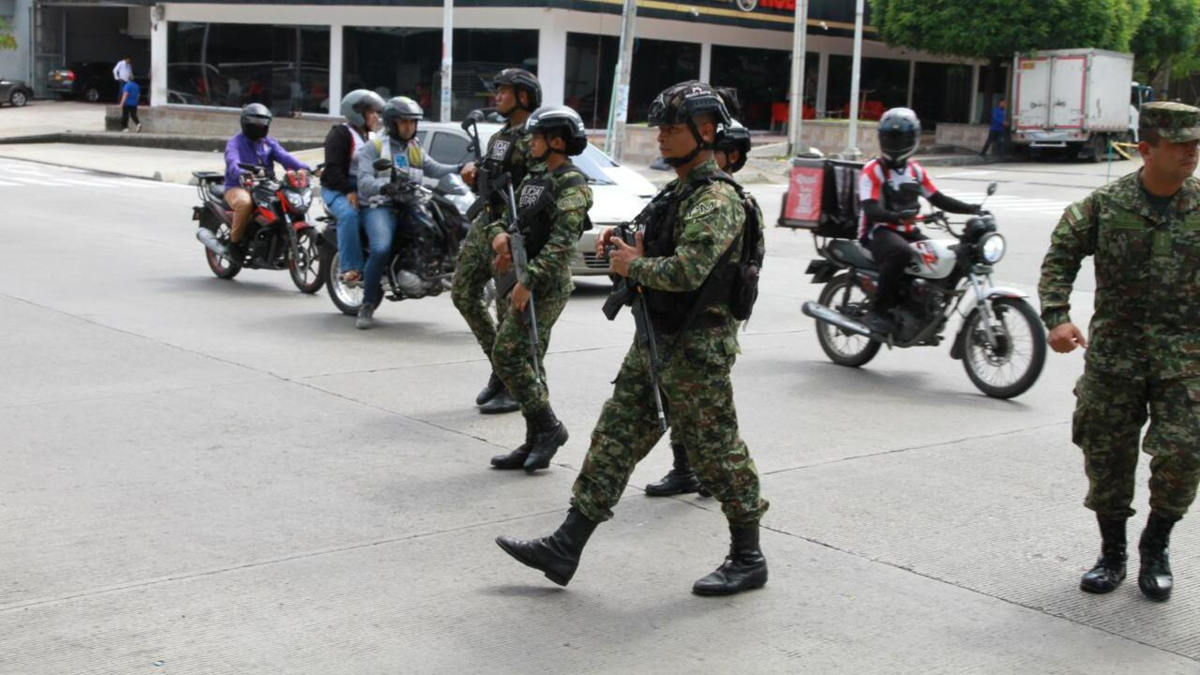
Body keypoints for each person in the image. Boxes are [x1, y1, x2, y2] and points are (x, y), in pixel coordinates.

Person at [495, 82, 770, 596]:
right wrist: (622, 242)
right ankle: (566, 545)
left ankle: (748, 557)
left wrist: (631, 264)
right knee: (614, 437)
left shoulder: (717, 199)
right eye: (660, 128)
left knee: (718, 451)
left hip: (696, 350)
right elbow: (652, 240)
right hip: (656, 342)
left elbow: (687, 270)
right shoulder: (678, 192)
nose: (661, 137)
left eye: (672, 129)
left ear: (705, 131)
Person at [1039, 101, 1200, 602]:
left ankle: (1156, 545)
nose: (1192, 153)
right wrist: (1056, 315)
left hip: (1186, 361)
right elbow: (1060, 256)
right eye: (1180, 145)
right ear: (1146, 150)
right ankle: (1112, 553)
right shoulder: (1105, 205)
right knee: (1106, 457)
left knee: (1184, 454)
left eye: (1196, 144)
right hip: (1115, 358)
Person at [646, 87, 765, 498]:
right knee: (687, 407)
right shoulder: (686, 193)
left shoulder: (724, 201)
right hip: (679, 322)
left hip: (707, 326)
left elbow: (697, 270)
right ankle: (688, 470)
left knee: (710, 422)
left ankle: (719, 485)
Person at [486, 106, 594, 473]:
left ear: (557, 141)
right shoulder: (534, 177)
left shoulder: (572, 184)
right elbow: (506, 217)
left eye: (537, 137)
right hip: (522, 276)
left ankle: (549, 428)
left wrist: (528, 281)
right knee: (530, 360)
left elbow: (563, 244)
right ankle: (535, 439)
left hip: (545, 285)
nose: (530, 142)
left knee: (507, 354)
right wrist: (498, 235)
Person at [453, 68, 543, 414]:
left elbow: (538, 183)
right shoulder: (500, 135)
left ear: (524, 96)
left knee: (510, 313)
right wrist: (474, 170)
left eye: (504, 91)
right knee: (462, 293)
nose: (498, 96)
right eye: (498, 90)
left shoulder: (535, 136)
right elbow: (491, 168)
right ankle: (500, 367)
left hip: (512, 228)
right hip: (486, 223)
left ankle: (514, 382)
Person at [858, 107, 983, 334]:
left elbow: (938, 198)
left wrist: (972, 209)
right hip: (876, 232)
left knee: (948, 255)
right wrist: (896, 216)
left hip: (906, 230)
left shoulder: (915, 171)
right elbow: (870, 209)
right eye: (890, 137)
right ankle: (877, 312)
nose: (895, 143)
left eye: (901, 138)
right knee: (901, 253)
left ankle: (924, 305)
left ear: (912, 139)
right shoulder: (872, 170)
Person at [354, 96, 461, 329]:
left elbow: (434, 168)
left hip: (411, 202)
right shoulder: (375, 147)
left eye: (412, 122)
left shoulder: (413, 146)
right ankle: (367, 304)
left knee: (447, 226)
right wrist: (384, 187)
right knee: (380, 249)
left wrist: (461, 168)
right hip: (381, 205)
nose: (409, 127)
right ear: (392, 123)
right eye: (404, 122)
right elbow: (364, 181)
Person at [222, 103, 311, 260]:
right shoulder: (235, 142)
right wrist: (242, 173)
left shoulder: (269, 143)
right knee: (245, 204)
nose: (259, 126)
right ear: (245, 122)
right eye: (255, 122)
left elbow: (285, 157)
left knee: (285, 200)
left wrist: (306, 168)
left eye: (262, 122)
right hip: (238, 186)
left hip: (265, 185)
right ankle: (234, 244)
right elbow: (232, 161)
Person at [321, 89, 385, 287]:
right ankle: (351, 268)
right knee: (349, 215)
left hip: (364, 187)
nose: (376, 116)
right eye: (371, 112)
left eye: (376, 112)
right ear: (357, 113)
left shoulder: (372, 137)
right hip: (337, 188)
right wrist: (349, 191)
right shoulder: (339, 134)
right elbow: (332, 169)